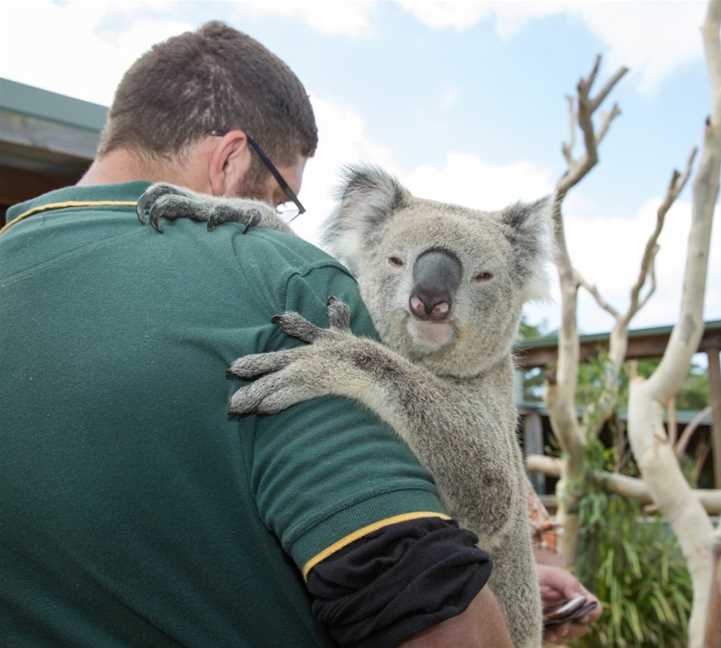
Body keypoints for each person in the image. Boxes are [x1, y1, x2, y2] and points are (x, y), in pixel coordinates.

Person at [0, 21, 597, 647]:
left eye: (281, 214)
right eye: (281, 199)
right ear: (229, 161)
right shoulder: (294, 295)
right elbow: (442, 625)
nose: (280, 220)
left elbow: (483, 505)